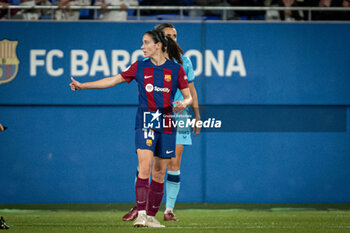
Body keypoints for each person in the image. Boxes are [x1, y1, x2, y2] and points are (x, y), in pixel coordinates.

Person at [69, 29, 192, 228]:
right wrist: (84, 86)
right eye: (142, 43)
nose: (142, 47)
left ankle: (152, 217)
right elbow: (113, 80)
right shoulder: (139, 67)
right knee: (144, 167)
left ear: (158, 45)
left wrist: (184, 103)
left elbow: (188, 96)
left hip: (168, 122)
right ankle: (141, 214)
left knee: (160, 172)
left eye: (146, 43)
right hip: (146, 120)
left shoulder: (176, 69)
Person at [122, 23, 201, 222]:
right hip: (155, 115)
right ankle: (143, 208)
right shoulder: (147, 62)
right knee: (146, 163)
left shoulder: (184, 61)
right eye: (168, 35)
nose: (173, 39)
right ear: (159, 41)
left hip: (179, 115)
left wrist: (197, 116)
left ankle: (168, 210)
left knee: (172, 163)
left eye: (175, 35)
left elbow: (191, 91)